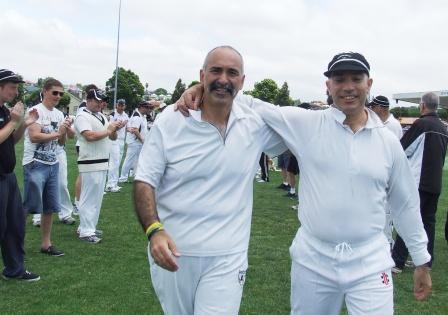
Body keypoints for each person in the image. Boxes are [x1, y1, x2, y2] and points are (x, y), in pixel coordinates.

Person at [177, 52, 432, 314]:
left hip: (370, 260)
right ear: (328, 86)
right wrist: (202, 87)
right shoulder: (307, 124)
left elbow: (405, 204)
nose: (348, 87)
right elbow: (253, 105)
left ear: (369, 84)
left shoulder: (387, 142)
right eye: (339, 79)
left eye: (356, 79)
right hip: (314, 260)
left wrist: (421, 260)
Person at [134, 46, 285, 315]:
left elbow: (310, 130)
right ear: (202, 75)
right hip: (175, 252)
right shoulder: (171, 119)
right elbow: (145, 180)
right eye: (216, 71)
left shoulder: (254, 124)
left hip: (229, 255)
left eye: (232, 73)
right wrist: (154, 230)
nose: (223, 79)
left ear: (242, 81)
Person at [392, 92, 448, 272]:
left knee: (407, 218)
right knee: (428, 222)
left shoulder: (422, 124)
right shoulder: (442, 126)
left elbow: (402, 150)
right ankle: (426, 261)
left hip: (418, 182)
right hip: (435, 182)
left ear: (422, 105)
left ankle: (397, 261)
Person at [23, 78, 71, 257]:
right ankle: (16, 244)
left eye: (61, 93)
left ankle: (46, 244)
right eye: (55, 92)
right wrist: (58, 132)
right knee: (29, 206)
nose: (58, 96)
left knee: (49, 207)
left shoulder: (59, 114)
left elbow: (62, 142)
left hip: (53, 163)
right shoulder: (35, 111)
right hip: (35, 164)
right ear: (44, 91)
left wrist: (64, 131)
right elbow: (34, 136)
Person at [0, 69, 40, 281]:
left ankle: (14, 270)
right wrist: (15, 122)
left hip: (8, 176)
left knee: (15, 225)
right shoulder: (9, 115)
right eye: (12, 88)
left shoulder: (6, 112)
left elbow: (10, 140)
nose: (15, 92)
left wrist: (23, 125)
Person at [74, 88, 124, 243]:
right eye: (97, 101)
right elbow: (89, 136)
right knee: (88, 197)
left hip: (102, 161)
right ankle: (86, 231)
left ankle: (88, 227)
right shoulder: (82, 116)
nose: (100, 104)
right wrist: (109, 130)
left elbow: (113, 137)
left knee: (96, 199)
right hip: (90, 160)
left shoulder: (101, 115)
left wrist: (115, 129)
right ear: (88, 100)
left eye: (102, 102)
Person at [118, 101, 150, 183]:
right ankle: (123, 177)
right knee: (129, 160)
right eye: (147, 107)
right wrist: (142, 140)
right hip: (135, 141)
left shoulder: (142, 116)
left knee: (138, 160)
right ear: (141, 107)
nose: (148, 109)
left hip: (137, 142)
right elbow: (135, 130)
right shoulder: (137, 117)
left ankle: (135, 175)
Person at [105, 98, 128, 192]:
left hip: (122, 140)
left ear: (125, 106)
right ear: (116, 105)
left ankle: (114, 183)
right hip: (114, 140)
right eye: (119, 105)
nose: (121, 107)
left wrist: (122, 126)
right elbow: (110, 129)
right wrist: (120, 126)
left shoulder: (126, 115)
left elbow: (125, 128)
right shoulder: (112, 115)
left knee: (117, 162)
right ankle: (109, 185)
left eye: (123, 105)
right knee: (113, 162)